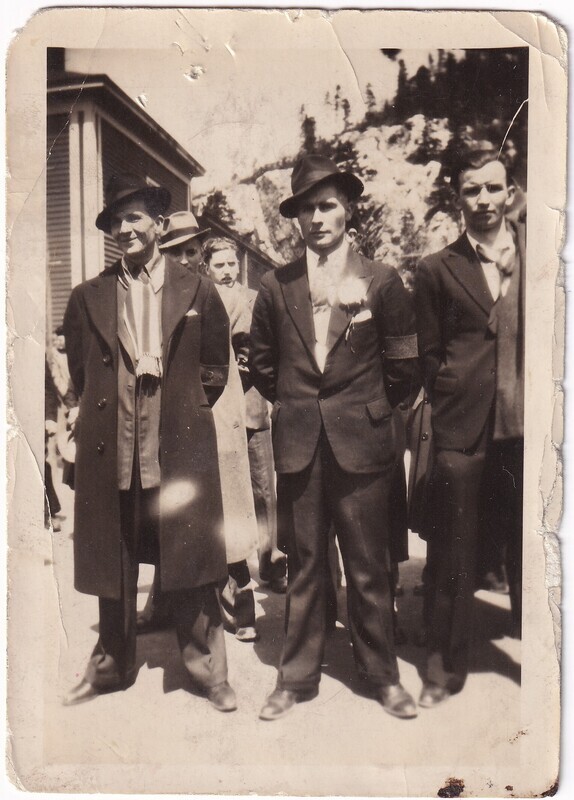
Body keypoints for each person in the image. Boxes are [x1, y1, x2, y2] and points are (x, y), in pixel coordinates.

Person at [250, 154, 420, 720]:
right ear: (295, 219)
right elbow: (263, 365)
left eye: (327, 205)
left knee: (369, 565)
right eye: (306, 209)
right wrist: (302, 407)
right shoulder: (276, 285)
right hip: (300, 443)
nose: (317, 217)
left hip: (363, 442)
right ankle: (295, 678)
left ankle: (382, 676)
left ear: (348, 210)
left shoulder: (382, 279)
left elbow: (404, 365)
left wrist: (369, 412)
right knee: (304, 563)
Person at [62, 173, 238, 712]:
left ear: (160, 226)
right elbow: (79, 367)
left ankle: (207, 670)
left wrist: (181, 406)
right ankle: (111, 665)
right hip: (112, 442)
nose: (125, 228)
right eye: (117, 221)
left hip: (176, 440)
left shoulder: (196, 287)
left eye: (135, 217)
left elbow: (214, 367)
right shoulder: (88, 296)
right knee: (112, 558)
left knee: (188, 553)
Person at [414, 146, 524, 708]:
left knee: (537, 540)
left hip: (531, 424)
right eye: (471, 191)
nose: (483, 200)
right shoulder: (436, 269)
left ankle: (546, 654)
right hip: (466, 424)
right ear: (459, 199)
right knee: (455, 545)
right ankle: (445, 664)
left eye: (492, 188)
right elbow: (429, 355)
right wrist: (457, 397)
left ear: (510, 192)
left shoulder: (543, 253)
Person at [202, 236, 260, 642]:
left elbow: (254, 355)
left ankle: (245, 608)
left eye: (231, 264)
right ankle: (204, 609)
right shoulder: (197, 298)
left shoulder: (244, 303)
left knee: (234, 507)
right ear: (206, 268)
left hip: (227, 410)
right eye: (219, 264)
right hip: (196, 413)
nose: (227, 271)